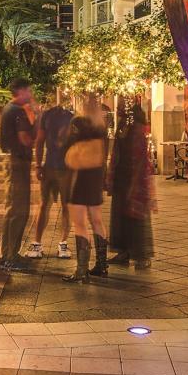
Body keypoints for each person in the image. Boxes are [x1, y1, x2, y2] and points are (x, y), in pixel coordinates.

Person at [61, 113, 110, 282]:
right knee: (97, 221)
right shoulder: (98, 144)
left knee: (80, 224)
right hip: (95, 185)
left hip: (80, 185)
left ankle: (82, 270)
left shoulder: (78, 147)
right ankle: (102, 265)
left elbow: (69, 161)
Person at [109, 101, 155, 269]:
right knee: (120, 217)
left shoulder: (136, 129)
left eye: (121, 105)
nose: (118, 107)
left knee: (136, 218)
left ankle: (141, 256)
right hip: (122, 179)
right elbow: (117, 152)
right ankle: (124, 252)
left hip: (134, 180)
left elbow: (140, 158)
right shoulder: (123, 126)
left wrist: (135, 183)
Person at [28, 96, 75, 260]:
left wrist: (38, 165)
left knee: (44, 205)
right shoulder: (71, 117)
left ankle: (37, 243)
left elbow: (39, 142)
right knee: (65, 207)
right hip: (66, 168)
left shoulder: (46, 116)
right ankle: (62, 244)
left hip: (49, 166)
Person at [0, 79, 36, 272]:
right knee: (19, 210)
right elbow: (25, 138)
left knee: (12, 209)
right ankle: (10, 257)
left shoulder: (8, 109)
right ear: (21, 91)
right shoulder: (18, 111)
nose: (31, 93)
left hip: (12, 161)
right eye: (29, 90)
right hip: (18, 162)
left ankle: (7, 254)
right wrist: (35, 122)